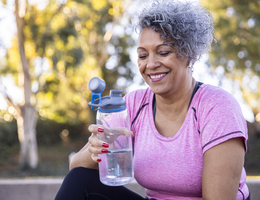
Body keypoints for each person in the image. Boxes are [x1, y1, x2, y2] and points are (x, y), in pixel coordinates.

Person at [55, 0, 250, 199]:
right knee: (80, 180)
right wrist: (96, 150)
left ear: (189, 54)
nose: (150, 64)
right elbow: (76, 171)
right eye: (142, 55)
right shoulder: (133, 104)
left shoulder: (217, 107)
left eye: (163, 52)